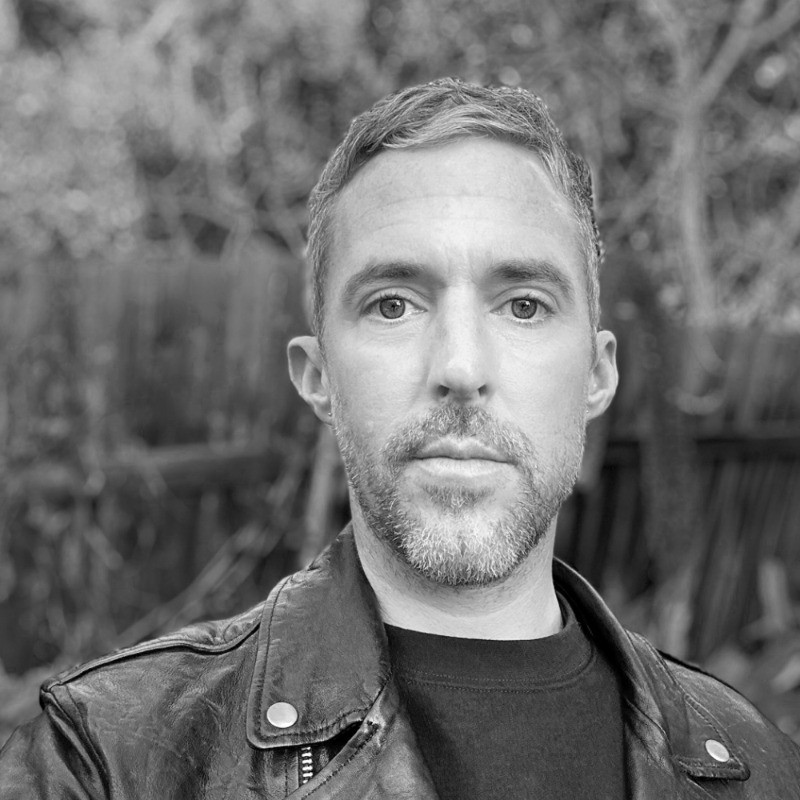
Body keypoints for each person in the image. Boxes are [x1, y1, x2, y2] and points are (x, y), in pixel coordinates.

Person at [1, 78, 798, 799]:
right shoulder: (105, 759)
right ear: (318, 376)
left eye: (523, 304)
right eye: (393, 304)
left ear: (596, 373)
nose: (460, 367)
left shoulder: (761, 768)